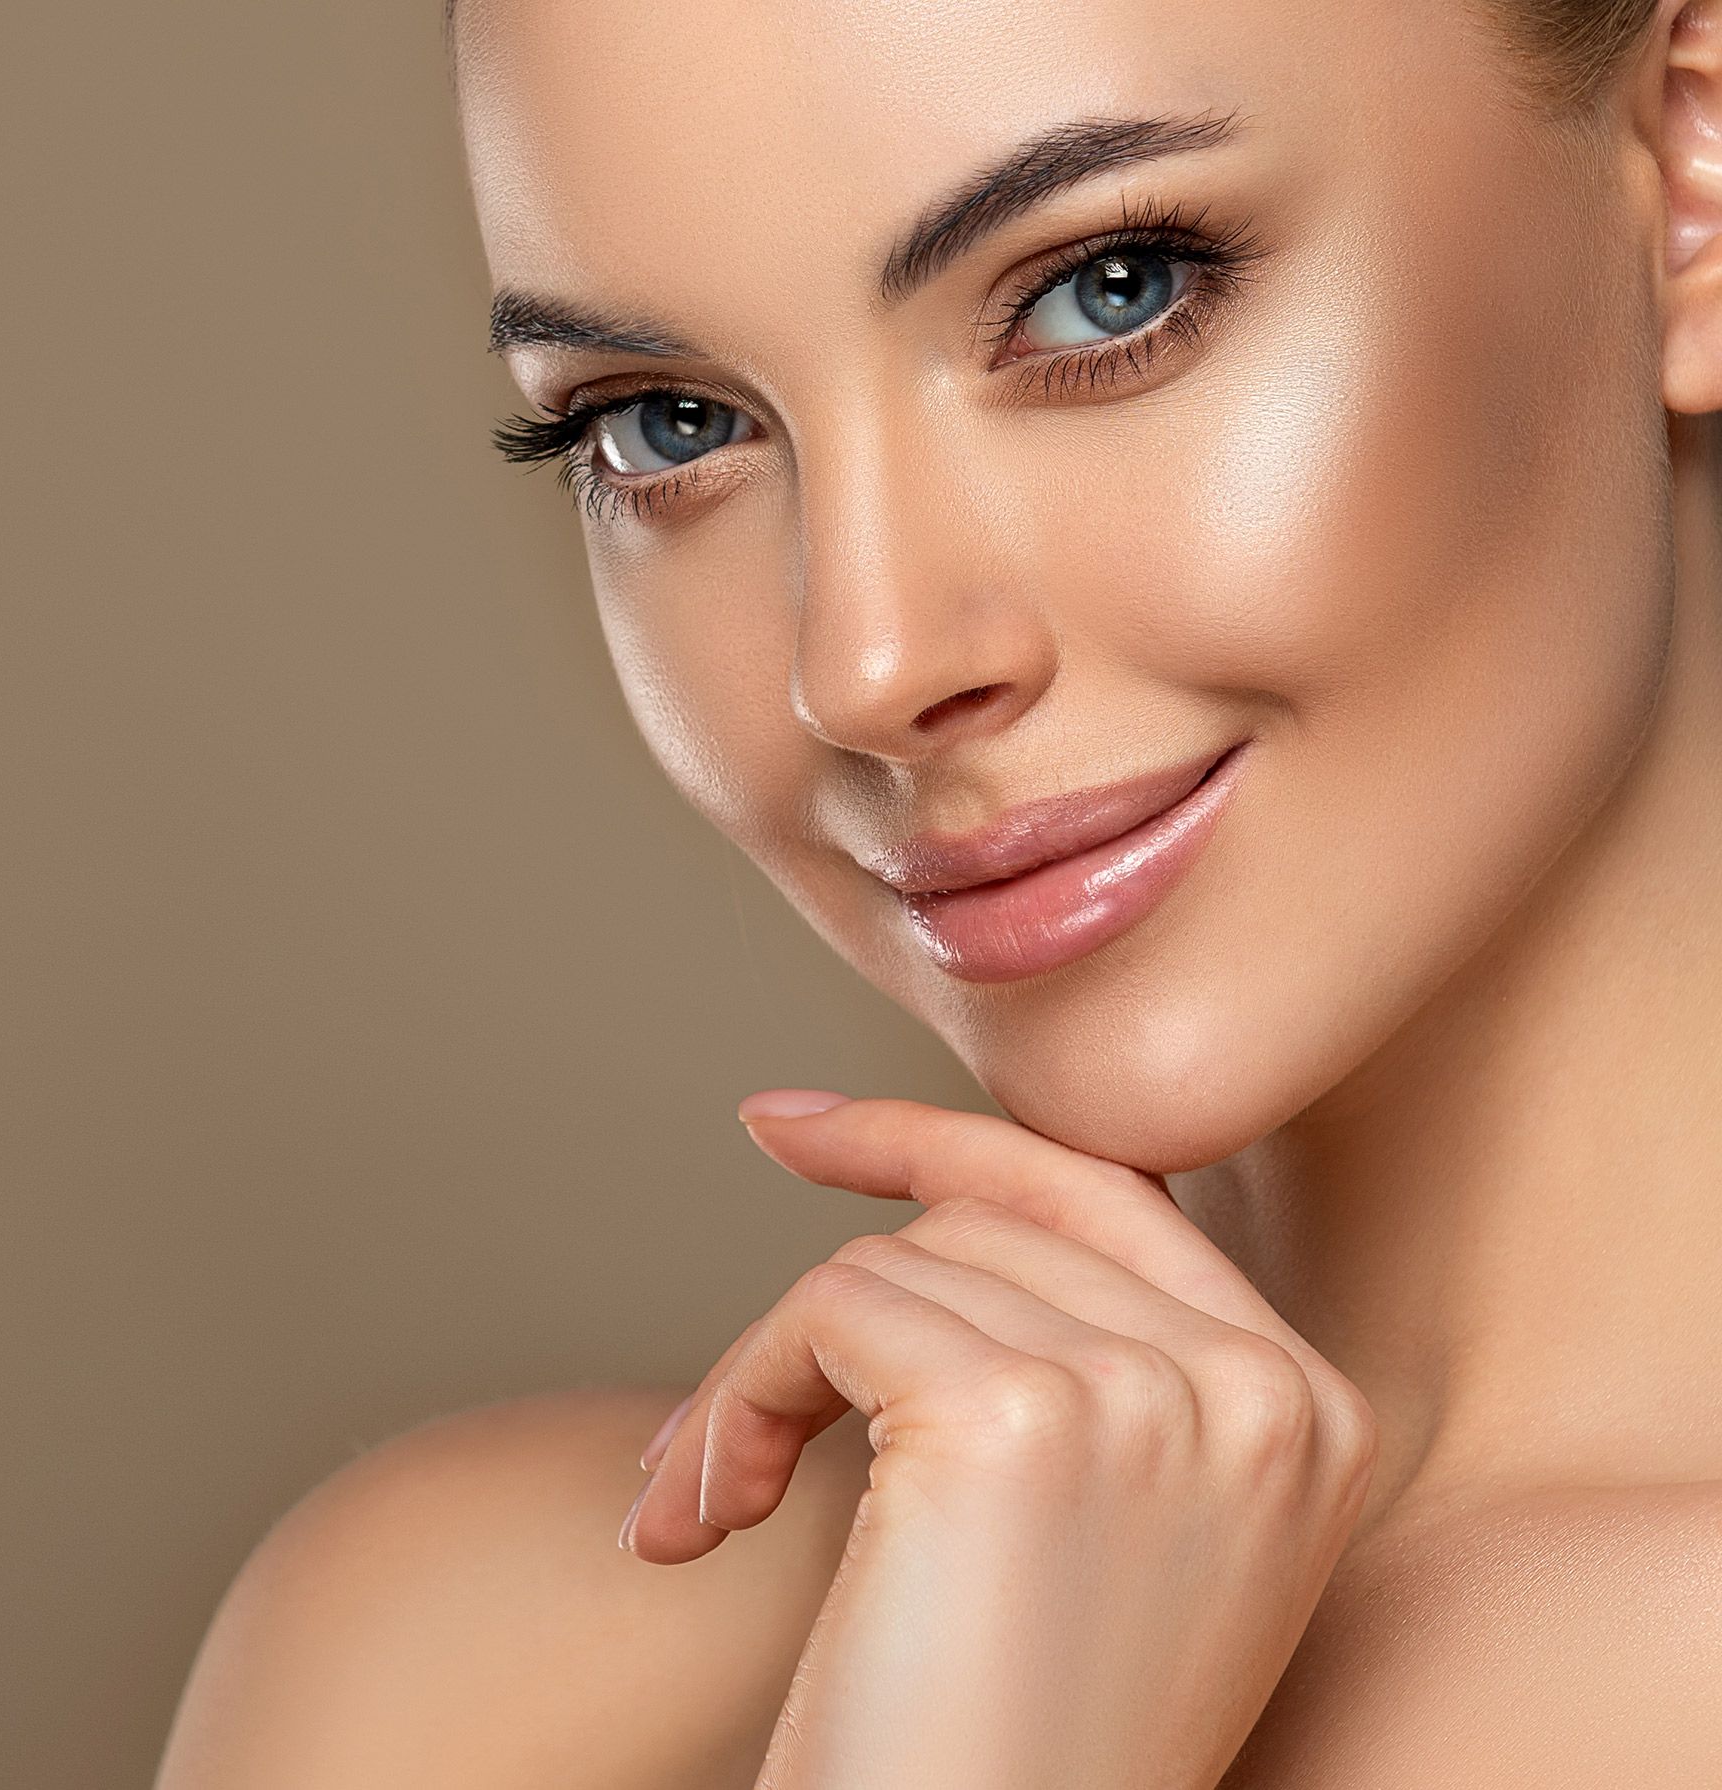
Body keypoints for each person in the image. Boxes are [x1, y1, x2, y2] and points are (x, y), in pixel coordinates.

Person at [155, 0, 1722, 1782]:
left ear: (1686, 170)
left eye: (1108, 290)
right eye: (665, 424)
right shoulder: (444, 1664)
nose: (866, 658)